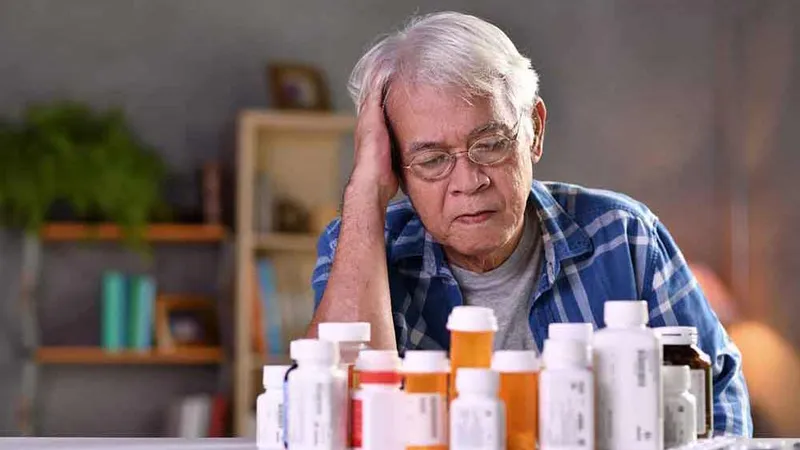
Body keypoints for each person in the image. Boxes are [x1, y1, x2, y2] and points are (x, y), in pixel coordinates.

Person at [306, 11, 752, 436]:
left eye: (491, 143)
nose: (470, 181)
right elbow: (331, 419)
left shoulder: (626, 237)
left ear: (534, 130)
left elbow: (720, 403)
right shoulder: (363, 247)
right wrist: (364, 188)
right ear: (397, 169)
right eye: (432, 160)